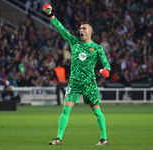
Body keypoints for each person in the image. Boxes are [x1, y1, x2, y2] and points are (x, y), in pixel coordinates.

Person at [43, 4, 111, 146]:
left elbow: (106, 62)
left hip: (89, 83)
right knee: (65, 109)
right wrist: (51, 15)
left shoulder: (97, 48)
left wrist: (107, 70)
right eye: (80, 28)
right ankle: (58, 138)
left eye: (84, 28)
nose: (81, 30)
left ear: (90, 32)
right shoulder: (74, 42)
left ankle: (104, 138)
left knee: (97, 111)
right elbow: (61, 29)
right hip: (74, 82)